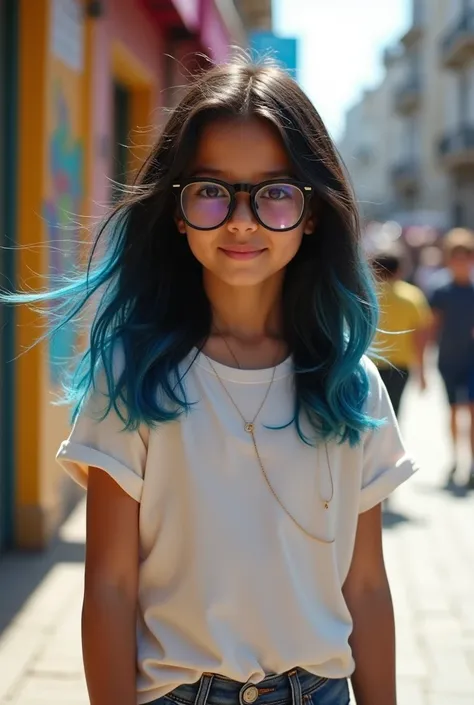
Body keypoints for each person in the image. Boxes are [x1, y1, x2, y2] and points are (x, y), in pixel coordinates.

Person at [2, 59, 417, 705]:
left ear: (313, 213)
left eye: (276, 191)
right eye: (212, 190)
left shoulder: (351, 385)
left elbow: (365, 585)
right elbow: (109, 586)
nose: (242, 219)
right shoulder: (131, 377)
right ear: (176, 209)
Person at [429, 228, 474, 487]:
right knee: (454, 411)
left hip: (471, 360)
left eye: (465, 257)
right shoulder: (441, 291)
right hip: (448, 360)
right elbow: (432, 325)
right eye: (456, 257)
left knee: (472, 409)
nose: (461, 263)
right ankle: (456, 458)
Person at [371, 244, 432, 417]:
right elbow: (420, 337)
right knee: (393, 411)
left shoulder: (364, 294)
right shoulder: (413, 296)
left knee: (368, 411)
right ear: (400, 270)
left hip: (367, 362)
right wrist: (422, 371)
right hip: (399, 365)